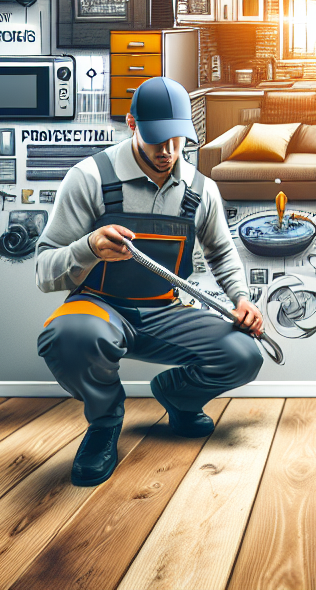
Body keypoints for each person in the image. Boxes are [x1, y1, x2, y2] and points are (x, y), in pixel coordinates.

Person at [35, 76, 263, 486]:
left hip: (166, 310)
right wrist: (87, 247)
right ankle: (104, 424)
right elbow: (43, 270)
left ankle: (178, 395)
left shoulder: (201, 189)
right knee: (67, 336)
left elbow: (221, 253)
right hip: (99, 308)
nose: (168, 151)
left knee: (244, 354)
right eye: (158, 139)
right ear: (132, 124)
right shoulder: (88, 178)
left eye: (178, 139)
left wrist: (242, 299)